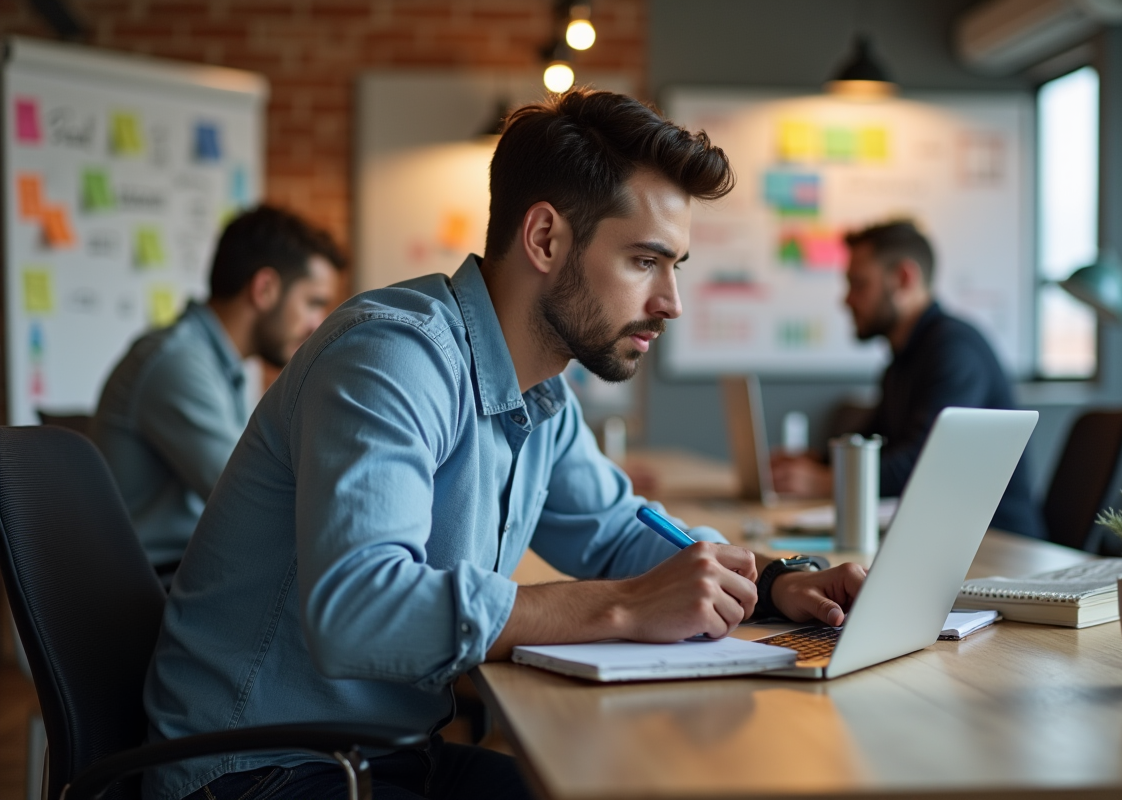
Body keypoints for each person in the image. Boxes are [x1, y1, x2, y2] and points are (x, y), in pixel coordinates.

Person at [142, 89, 866, 800]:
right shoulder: (393, 356)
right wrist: (622, 607)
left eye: (676, 266)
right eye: (646, 262)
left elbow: (616, 534)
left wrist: (774, 583)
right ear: (545, 238)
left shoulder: (541, 391)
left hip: (377, 758)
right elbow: (358, 609)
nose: (671, 301)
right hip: (257, 768)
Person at [91, 205, 345, 567]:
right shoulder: (177, 363)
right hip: (154, 589)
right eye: (313, 304)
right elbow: (255, 499)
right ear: (265, 289)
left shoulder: (223, 366)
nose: (316, 325)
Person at [771, 220, 1045, 539]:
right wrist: (812, 459)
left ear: (903, 278)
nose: (846, 301)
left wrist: (823, 481)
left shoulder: (954, 350)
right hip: (948, 536)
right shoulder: (902, 360)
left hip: (999, 543)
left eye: (859, 285)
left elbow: (925, 465)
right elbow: (876, 442)